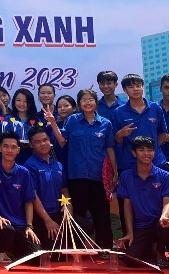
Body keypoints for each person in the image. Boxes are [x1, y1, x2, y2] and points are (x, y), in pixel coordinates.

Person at [42, 88, 116, 249]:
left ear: (96, 102)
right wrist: (53, 122)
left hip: (99, 176)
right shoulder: (73, 120)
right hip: (77, 176)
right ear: (79, 104)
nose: (87, 103)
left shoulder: (106, 123)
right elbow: (62, 141)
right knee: (79, 214)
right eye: (84, 100)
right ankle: (76, 247)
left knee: (102, 215)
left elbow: (109, 148)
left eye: (90, 100)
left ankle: (105, 248)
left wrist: (114, 173)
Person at [115, 136, 169, 268]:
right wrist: (129, 232)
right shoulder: (126, 176)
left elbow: (168, 201)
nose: (146, 153)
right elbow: (127, 206)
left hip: (159, 223)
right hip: (141, 227)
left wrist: (164, 216)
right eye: (141, 150)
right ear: (134, 153)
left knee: (167, 226)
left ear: (154, 153)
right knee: (130, 260)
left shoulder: (165, 176)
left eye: (150, 150)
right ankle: (151, 249)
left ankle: (160, 252)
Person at [0, 131, 39, 263]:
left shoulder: (24, 172)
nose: (9, 150)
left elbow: (29, 201)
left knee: (36, 257)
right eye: (6, 146)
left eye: (13, 147)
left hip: (19, 223)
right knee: (7, 231)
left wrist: (29, 226)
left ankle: (13, 251)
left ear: (18, 150)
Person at [113, 74, 168, 173]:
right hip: (130, 164)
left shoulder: (155, 108)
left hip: (156, 163)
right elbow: (117, 141)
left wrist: (150, 150)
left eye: (138, 86)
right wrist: (120, 135)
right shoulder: (119, 112)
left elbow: (163, 134)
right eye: (131, 87)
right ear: (125, 90)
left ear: (143, 87)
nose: (135, 89)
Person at [24, 127, 66, 250]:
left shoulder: (58, 165)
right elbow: (33, 196)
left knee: (86, 225)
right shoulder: (29, 165)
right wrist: (48, 220)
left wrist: (68, 206)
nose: (42, 144)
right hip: (40, 217)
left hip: (57, 214)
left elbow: (64, 190)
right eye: (37, 142)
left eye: (45, 140)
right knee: (56, 254)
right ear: (31, 145)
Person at [9, 88, 37, 164]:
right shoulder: (7, 120)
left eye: (25, 101)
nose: (21, 104)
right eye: (18, 100)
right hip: (11, 159)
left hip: (32, 160)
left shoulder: (37, 121)